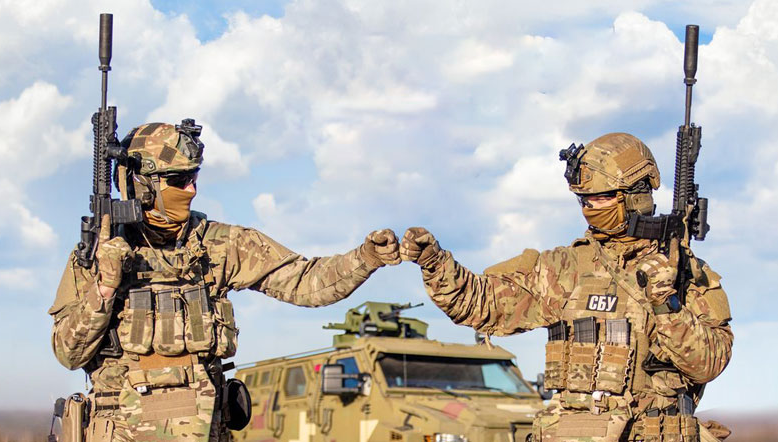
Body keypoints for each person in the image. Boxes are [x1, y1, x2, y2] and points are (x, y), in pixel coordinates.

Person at [49, 120, 400, 441]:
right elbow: (68, 352)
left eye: (194, 177)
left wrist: (366, 258)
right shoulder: (98, 253)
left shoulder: (221, 245)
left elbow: (306, 283)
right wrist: (105, 288)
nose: (191, 189)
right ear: (142, 185)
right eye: (178, 180)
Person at [399, 133, 732, 441]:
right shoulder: (567, 268)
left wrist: (666, 305)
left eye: (600, 198)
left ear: (635, 196)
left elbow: (708, 365)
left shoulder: (685, 272)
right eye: (584, 200)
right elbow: (479, 304)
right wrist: (435, 263)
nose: (590, 208)